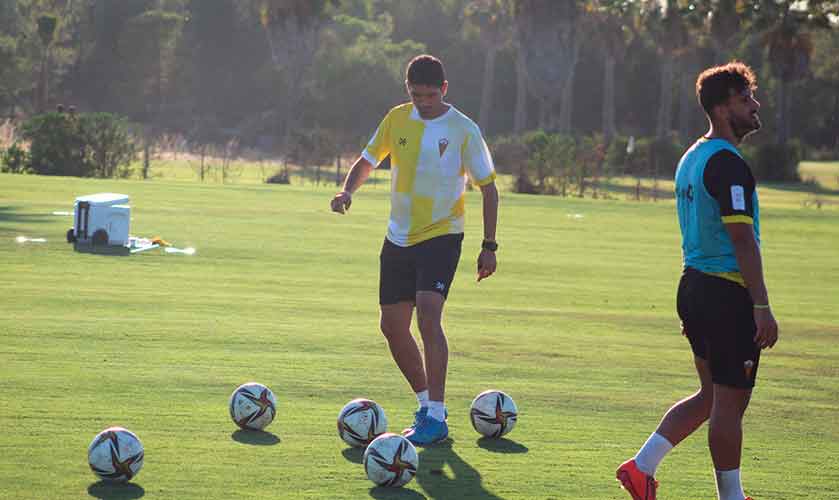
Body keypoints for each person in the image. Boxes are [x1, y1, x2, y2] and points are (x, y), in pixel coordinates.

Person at [616, 61, 779, 500]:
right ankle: (732, 497)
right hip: (726, 293)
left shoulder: (692, 156)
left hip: (694, 286)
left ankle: (641, 467)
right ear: (724, 107)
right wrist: (761, 306)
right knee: (729, 404)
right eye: (746, 99)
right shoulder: (728, 164)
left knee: (710, 396)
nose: (755, 105)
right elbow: (742, 240)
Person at [330, 54, 499, 446]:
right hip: (398, 238)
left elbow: (489, 189)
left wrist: (489, 246)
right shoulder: (396, 119)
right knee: (391, 326)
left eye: (429, 94)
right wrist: (347, 190)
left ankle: (437, 416)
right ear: (408, 90)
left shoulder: (463, 129)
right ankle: (425, 405)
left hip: (442, 236)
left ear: (444, 89)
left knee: (428, 316)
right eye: (415, 94)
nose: (422, 101)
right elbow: (368, 159)